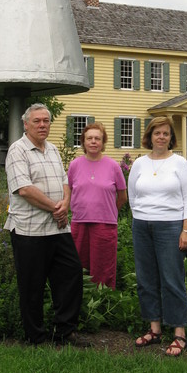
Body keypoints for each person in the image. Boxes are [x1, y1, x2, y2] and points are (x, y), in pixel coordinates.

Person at [4, 103, 85, 346]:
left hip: (58, 227)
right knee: (32, 286)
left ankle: (64, 331)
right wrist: (56, 207)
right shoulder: (17, 150)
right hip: (29, 229)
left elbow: (64, 181)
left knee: (71, 275)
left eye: (46, 121)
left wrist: (65, 204)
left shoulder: (52, 150)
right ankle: (36, 337)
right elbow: (24, 189)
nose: (42, 125)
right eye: (37, 121)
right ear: (26, 124)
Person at [128, 116, 187, 356]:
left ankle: (179, 333)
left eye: (165, 133)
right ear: (150, 136)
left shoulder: (179, 163)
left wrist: (186, 230)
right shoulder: (139, 164)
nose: (161, 137)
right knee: (146, 279)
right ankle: (154, 329)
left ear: (171, 138)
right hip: (142, 226)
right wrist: (141, 219)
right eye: (157, 133)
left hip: (170, 227)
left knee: (171, 279)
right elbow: (132, 197)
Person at [68, 122, 127, 290]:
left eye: (97, 138)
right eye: (89, 138)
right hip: (79, 223)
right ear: (83, 142)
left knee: (103, 269)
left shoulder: (113, 166)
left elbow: (122, 197)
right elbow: (69, 191)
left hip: (105, 224)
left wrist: (107, 210)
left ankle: (103, 301)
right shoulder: (74, 165)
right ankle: (80, 303)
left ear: (103, 142)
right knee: (79, 266)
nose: (93, 142)